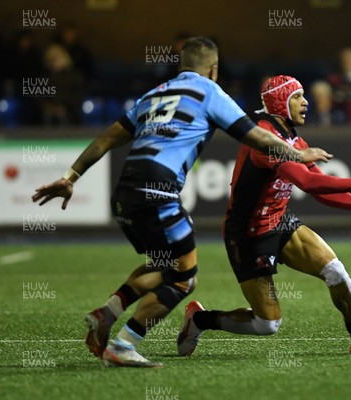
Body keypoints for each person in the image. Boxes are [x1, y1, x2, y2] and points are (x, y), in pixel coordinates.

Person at [31, 38, 331, 368]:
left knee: (166, 265)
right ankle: (124, 344)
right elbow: (255, 135)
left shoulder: (153, 95)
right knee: (183, 279)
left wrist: (70, 177)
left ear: (180, 66)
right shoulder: (209, 92)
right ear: (214, 69)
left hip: (124, 196)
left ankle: (109, 312)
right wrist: (298, 154)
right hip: (157, 193)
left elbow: (105, 139)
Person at [176, 75, 351, 358]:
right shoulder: (264, 139)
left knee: (335, 271)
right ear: (279, 102)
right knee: (267, 324)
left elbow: (322, 191)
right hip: (248, 235)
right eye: (297, 96)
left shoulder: (294, 140)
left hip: (280, 222)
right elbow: (308, 183)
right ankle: (200, 320)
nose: (305, 101)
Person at [41, 44, 85, 125]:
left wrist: (65, 108)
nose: (54, 60)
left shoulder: (75, 77)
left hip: (69, 112)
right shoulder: (43, 77)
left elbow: (78, 96)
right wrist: (49, 107)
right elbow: (38, 97)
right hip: (47, 114)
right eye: (52, 58)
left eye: (58, 57)